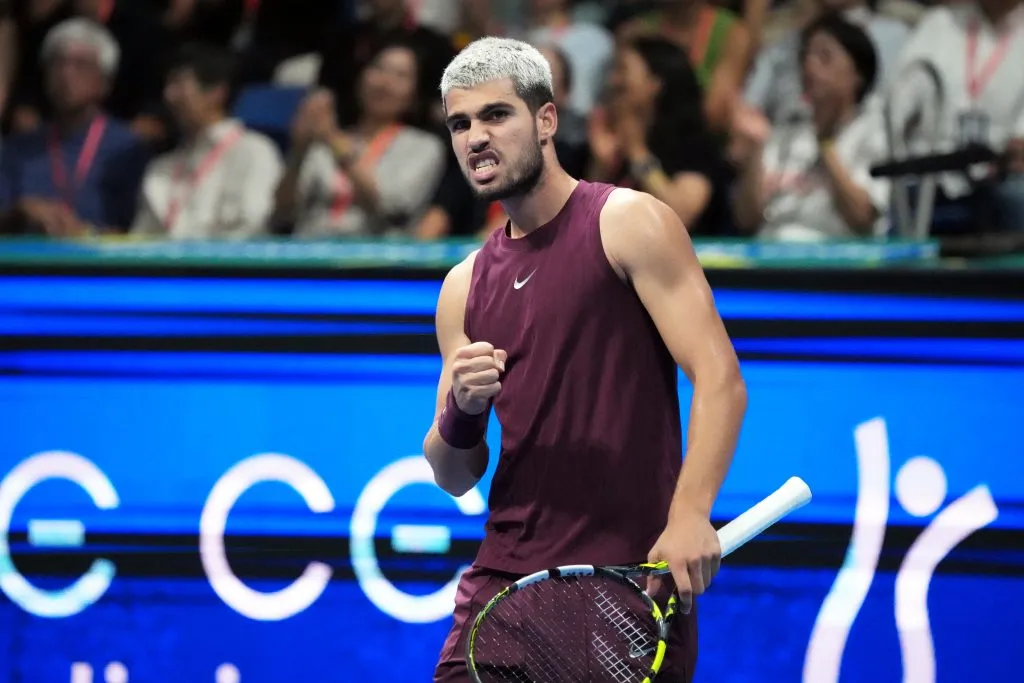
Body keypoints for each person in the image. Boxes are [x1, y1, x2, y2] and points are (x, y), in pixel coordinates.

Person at [425, 37, 747, 682]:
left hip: (629, 585)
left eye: (496, 115)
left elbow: (720, 380)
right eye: (461, 124)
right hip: (502, 587)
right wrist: (462, 410)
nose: (475, 138)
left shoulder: (628, 222)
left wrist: (689, 514)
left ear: (546, 121)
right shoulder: (463, 284)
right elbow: (454, 473)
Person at [732, 13, 890, 240]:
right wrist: (756, 152)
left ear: (857, 75)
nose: (809, 66)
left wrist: (825, 143)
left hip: (837, 263)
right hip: (771, 256)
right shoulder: (783, 132)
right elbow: (746, 220)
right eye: (806, 56)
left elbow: (862, 218)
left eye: (824, 57)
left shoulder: (873, 133)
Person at [271, 41, 445, 238]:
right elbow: (282, 215)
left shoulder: (423, 146)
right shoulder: (321, 142)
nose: (384, 82)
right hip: (309, 253)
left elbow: (391, 206)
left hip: (374, 259)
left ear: (414, 96)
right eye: (379, 68)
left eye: (400, 76)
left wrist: (333, 139)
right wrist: (298, 151)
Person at [0, 17, 149, 236]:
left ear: (105, 82)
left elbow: (140, 229)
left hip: (100, 266)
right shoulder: (19, 148)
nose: (66, 74)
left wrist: (85, 233)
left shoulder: (128, 149)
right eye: (58, 63)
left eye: (81, 65)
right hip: (25, 265)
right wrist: (20, 213)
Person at [130, 43, 283, 240]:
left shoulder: (254, 152)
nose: (169, 96)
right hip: (164, 268)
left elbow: (253, 230)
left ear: (216, 92)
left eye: (179, 84)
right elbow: (140, 241)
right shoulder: (161, 168)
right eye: (168, 85)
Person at [587, 36, 732, 234]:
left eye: (622, 70)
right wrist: (600, 166)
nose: (613, 80)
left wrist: (638, 154)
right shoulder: (605, 142)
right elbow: (584, 225)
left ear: (655, 84)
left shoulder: (695, 149)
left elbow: (679, 216)